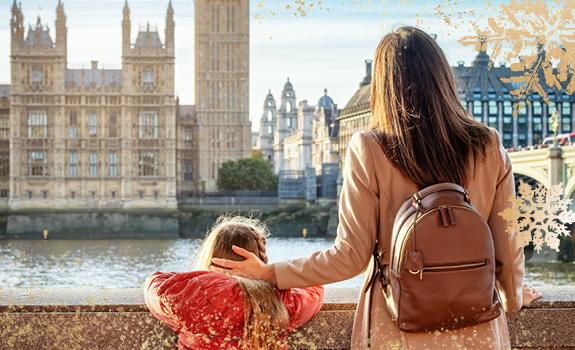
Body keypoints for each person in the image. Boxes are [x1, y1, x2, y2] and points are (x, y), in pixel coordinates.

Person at [211, 26, 542, 349]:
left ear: (383, 86)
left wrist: (271, 273)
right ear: (444, 78)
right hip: (477, 330)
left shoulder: (370, 148)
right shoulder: (488, 144)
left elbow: (349, 258)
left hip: (398, 328)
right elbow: (508, 251)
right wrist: (512, 298)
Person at [144, 215, 324, 350]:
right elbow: (314, 286)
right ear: (258, 258)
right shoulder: (280, 301)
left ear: (211, 256)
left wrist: (206, 277)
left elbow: (154, 283)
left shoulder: (189, 295)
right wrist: (266, 275)